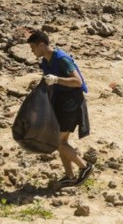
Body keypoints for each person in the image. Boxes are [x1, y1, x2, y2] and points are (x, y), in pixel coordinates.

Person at [27, 30, 93, 188]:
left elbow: (77, 81)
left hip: (71, 104)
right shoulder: (45, 62)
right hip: (60, 103)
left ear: (41, 45)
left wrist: (57, 79)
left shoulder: (62, 59)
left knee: (58, 141)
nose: (32, 51)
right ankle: (69, 176)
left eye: (33, 47)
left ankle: (85, 167)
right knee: (62, 141)